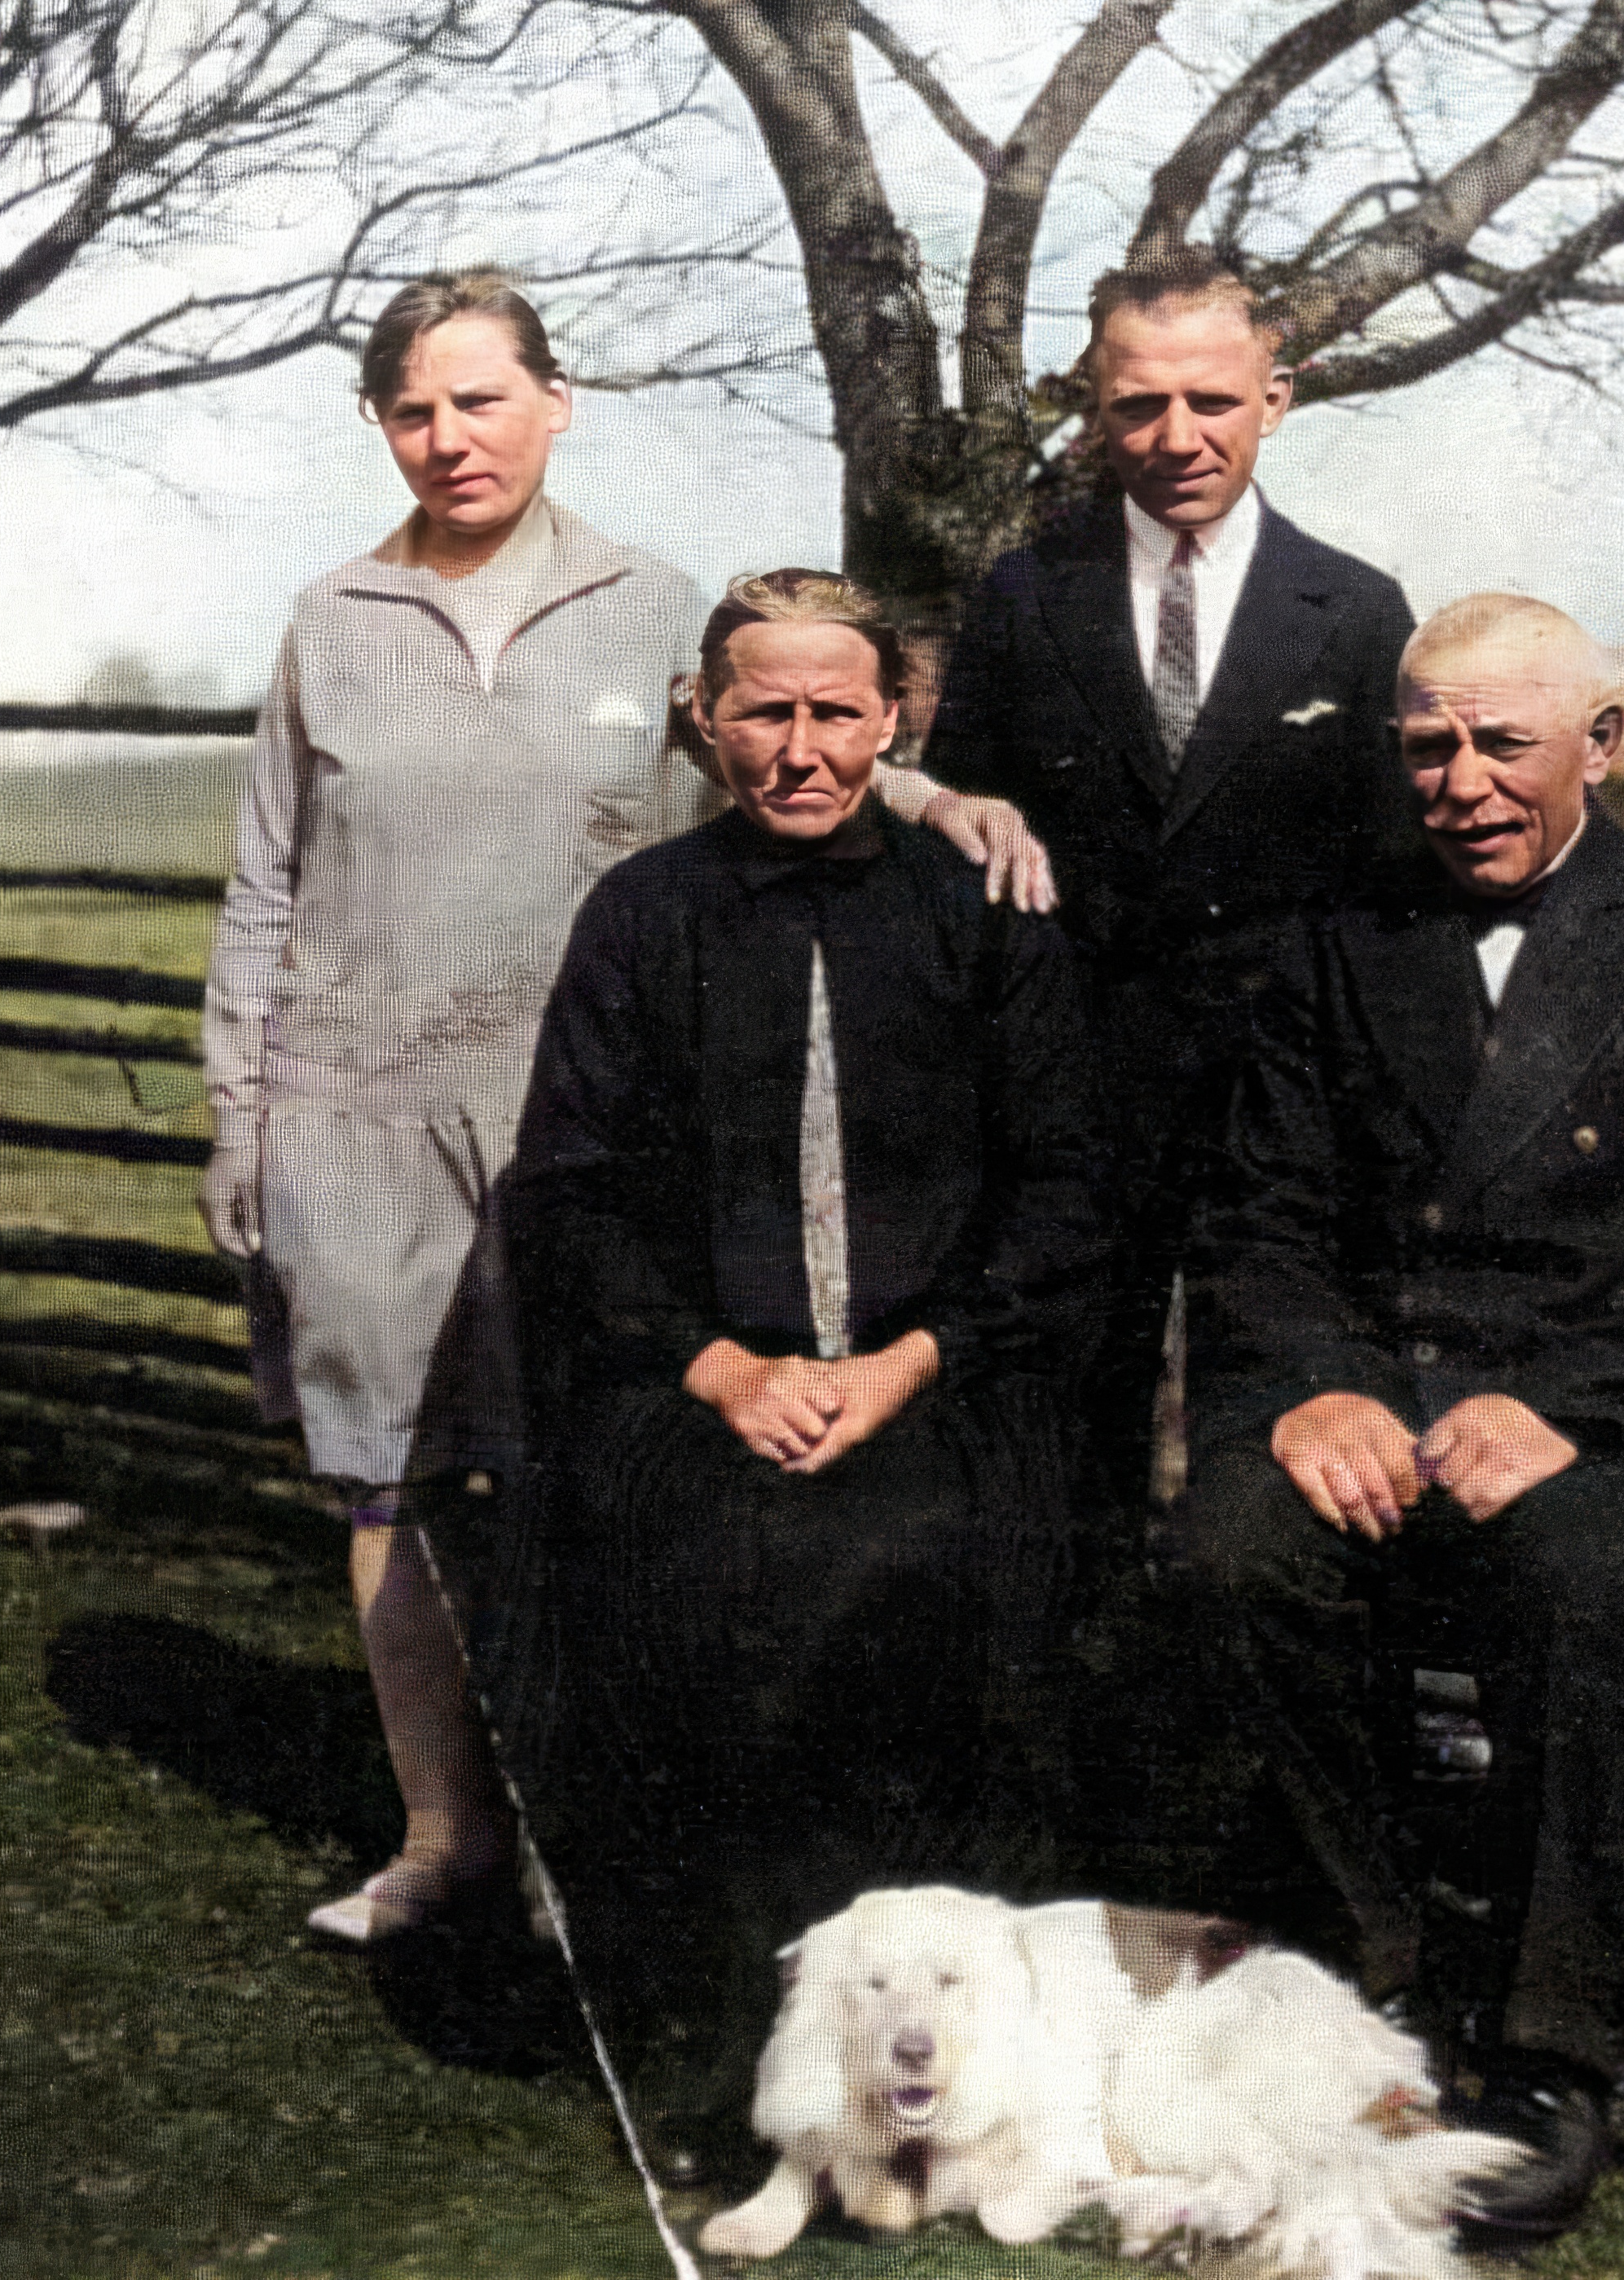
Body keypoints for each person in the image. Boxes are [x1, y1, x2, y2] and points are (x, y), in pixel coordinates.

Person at [200, 275, 1054, 1945]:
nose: (451, 438)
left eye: (482, 400)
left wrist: (950, 803)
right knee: (392, 1485)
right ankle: (439, 1832)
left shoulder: (650, 602)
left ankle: (584, 1837)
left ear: (555, 404)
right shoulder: (330, 618)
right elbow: (260, 887)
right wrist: (242, 1115)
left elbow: (792, 738)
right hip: (361, 1111)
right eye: (414, 409)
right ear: (380, 425)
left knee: (587, 1477)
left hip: (592, 1128)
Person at [1175, 595, 1624, 2245]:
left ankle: (1550, 2051)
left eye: (1498, 743)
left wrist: (1561, 1408)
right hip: (1383, 1389)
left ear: (1598, 745)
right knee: (1230, 1551)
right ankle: (1379, 1975)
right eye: (1425, 747)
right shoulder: (1337, 939)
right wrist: (1318, 1385)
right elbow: (1256, 1219)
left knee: (1578, 1570)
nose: (1457, 782)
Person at [495, 569, 1113, 2169]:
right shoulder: (640, 917)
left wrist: (912, 1360)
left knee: (965, 1572)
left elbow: (1065, 1187)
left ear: (891, 721)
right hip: (709, 1386)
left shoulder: (977, 903)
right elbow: (566, 1196)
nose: (797, 747)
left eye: (833, 711)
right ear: (705, 724)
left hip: (941, 1376)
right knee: (699, 1575)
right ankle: (729, 2051)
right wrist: (719, 1371)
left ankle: (980, 2062)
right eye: (761, 711)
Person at [923, 249, 1419, 1527]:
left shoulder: (1355, 612)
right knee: (1065, 1436)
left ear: (1277, 397)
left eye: (1211, 400)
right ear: (1097, 407)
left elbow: (1386, 880)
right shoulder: (1028, 596)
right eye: (1138, 404)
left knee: (1276, 1438)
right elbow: (961, 830)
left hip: (1281, 1100)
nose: (1176, 436)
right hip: (1075, 1091)